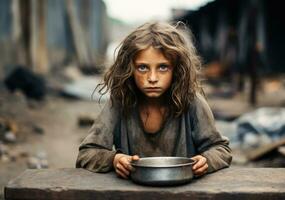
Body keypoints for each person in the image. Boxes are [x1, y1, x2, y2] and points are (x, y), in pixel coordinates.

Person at [76, 21, 232, 179]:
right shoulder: (120, 102)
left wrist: (206, 161)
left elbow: (221, 149)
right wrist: (114, 159)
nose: (152, 78)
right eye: (142, 67)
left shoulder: (191, 101)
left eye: (163, 67)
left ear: (176, 69)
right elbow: (87, 153)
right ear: (129, 69)